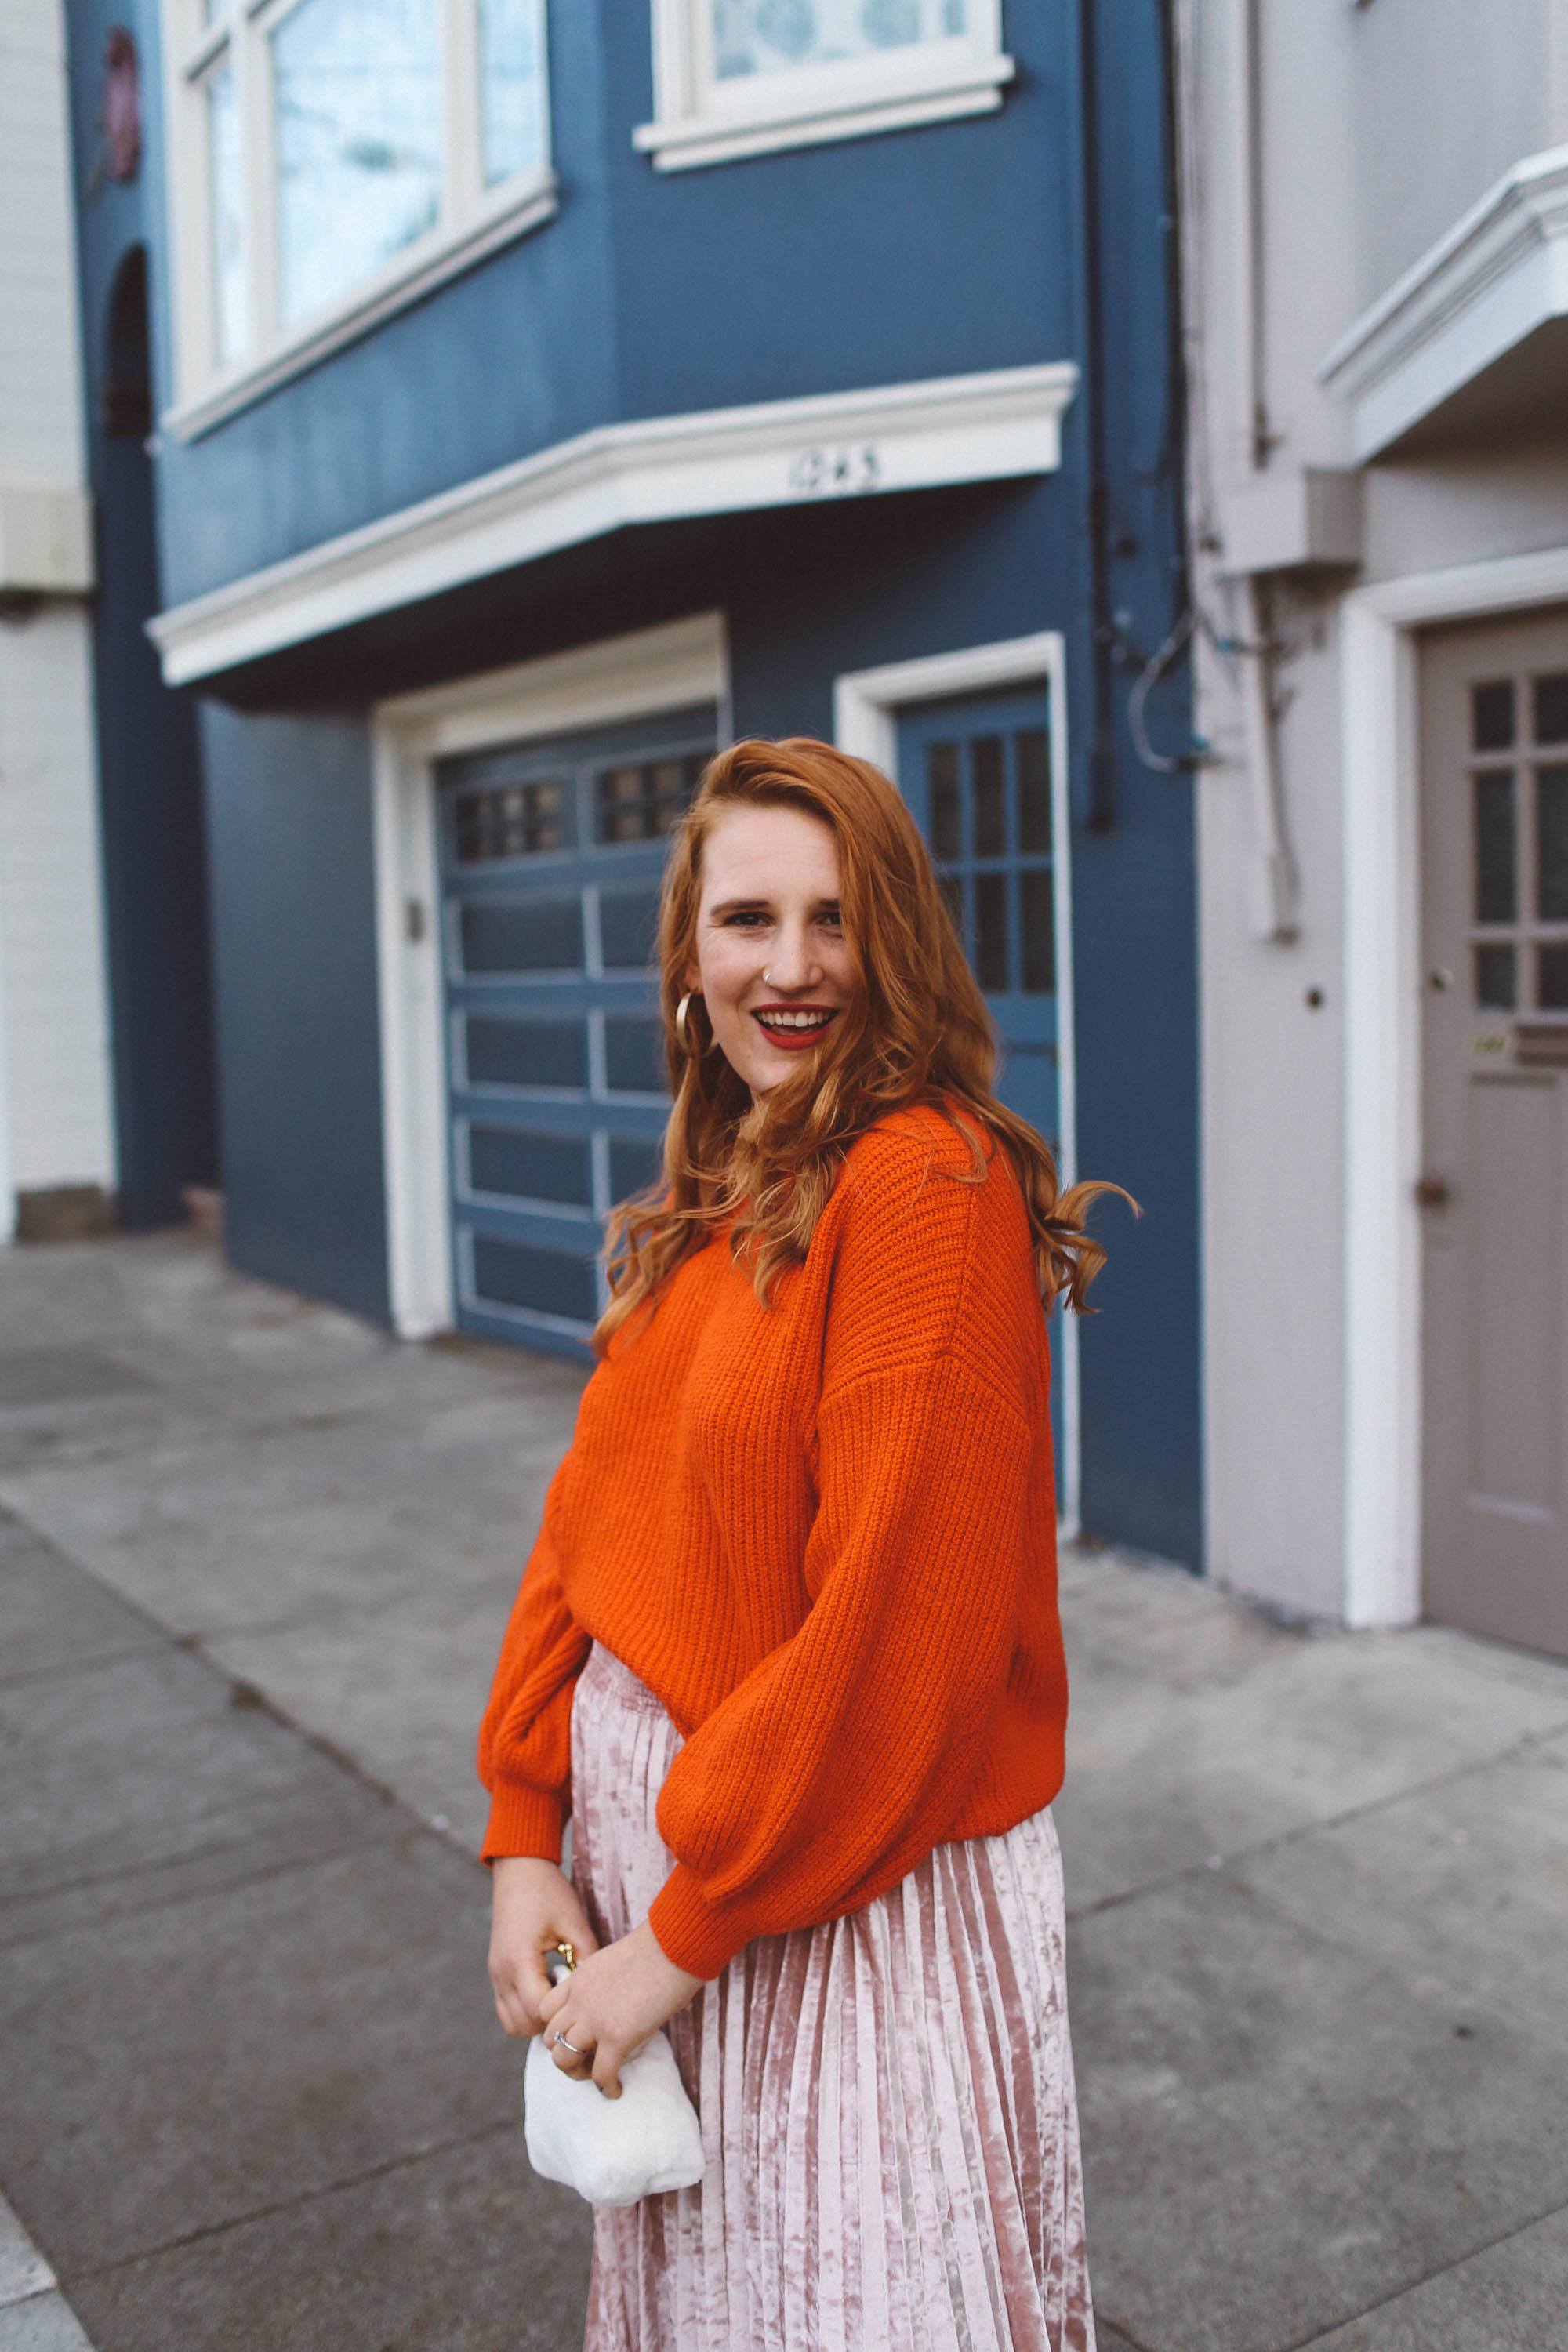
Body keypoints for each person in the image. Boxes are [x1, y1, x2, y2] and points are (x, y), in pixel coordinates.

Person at [477, 736, 1134, 2351]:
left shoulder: (922, 1183)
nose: (789, 967)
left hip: (822, 1900)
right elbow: (589, 1524)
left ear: (894, 935)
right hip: (683, 1892)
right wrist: (521, 1825)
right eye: (747, 919)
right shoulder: (729, 1182)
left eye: (832, 920)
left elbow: (895, 1632)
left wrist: (684, 1936)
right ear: (688, 959)